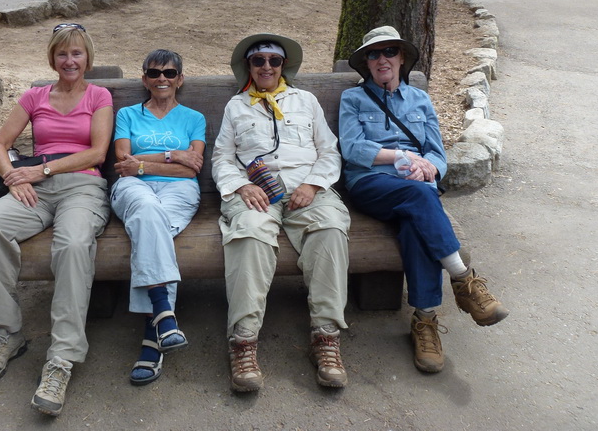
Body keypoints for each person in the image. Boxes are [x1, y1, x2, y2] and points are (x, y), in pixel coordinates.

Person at [338, 25, 509, 374]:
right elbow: (353, 148)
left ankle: (425, 321)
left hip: (418, 188)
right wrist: (402, 158)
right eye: (373, 54)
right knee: (419, 197)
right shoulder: (352, 99)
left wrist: (429, 167)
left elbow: (436, 152)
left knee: (416, 222)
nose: (382, 59)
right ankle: (463, 279)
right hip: (371, 183)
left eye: (389, 52)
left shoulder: (419, 100)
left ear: (402, 58)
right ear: (366, 63)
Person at [0, 23, 113, 416]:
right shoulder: (35, 96)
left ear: (88, 59)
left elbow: (98, 153)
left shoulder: (99, 95)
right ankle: (5, 334)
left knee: (71, 245)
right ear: (52, 58)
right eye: (63, 54)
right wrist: (11, 177)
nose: (70, 61)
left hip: (81, 186)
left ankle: (61, 359)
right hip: (34, 188)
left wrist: (42, 171)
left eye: (77, 53)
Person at [211, 33, 351, 392]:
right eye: (259, 61)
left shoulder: (306, 101)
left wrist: (314, 184)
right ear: (249, 67)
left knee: (330, 229)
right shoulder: (236, 106)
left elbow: (330, 151)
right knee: (250, 235)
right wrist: (242, 186)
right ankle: (243, 341)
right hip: (257, 193)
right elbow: (222, 158)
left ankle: (326, 337)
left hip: (307, 190)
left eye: (274, 60)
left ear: (284, 65)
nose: (267, 67)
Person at [110, 49, 206, 385]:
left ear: (180, 78)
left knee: (152, 225)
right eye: (153, 73)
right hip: (132, 189)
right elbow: (122, 162)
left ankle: (158, 326)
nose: (161, 78)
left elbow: (192, 166)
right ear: (144, 79)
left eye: (168, 73)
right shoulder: (127, 114)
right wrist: (169, 155)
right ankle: (162, 318)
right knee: (150, 214)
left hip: (181, 191)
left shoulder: (194, 118)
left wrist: (143, 162)